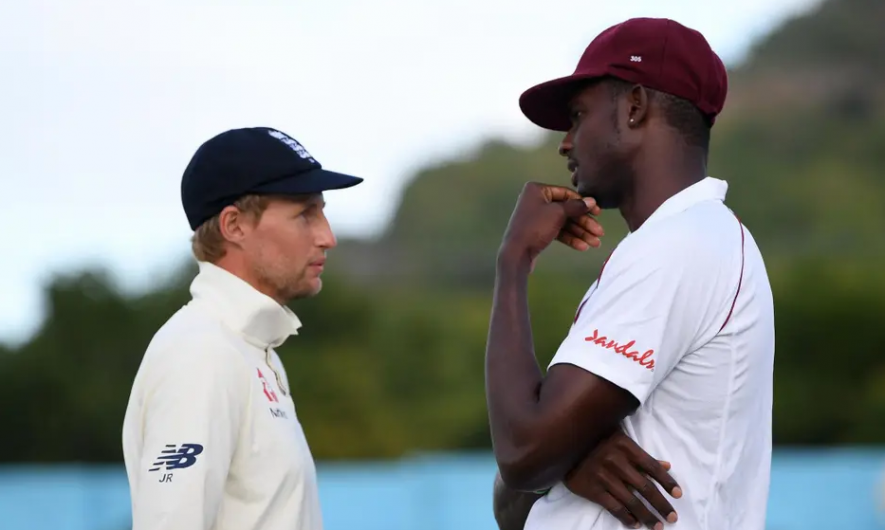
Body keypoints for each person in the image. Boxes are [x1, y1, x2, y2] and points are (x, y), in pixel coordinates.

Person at [486, 17, 775, 530]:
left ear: (635, 107)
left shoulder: (683, 244)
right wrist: (569, 458)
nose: (565, 143)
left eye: (578, 116)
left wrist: (514, 261)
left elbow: (521, 451)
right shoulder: (677, 242)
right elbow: (513, 494)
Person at [122, 126, 363, 530]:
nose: (328, 236)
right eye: (305, 213)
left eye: (323, 212)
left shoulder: (249, 349)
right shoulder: (200, 353)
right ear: (234, 225)